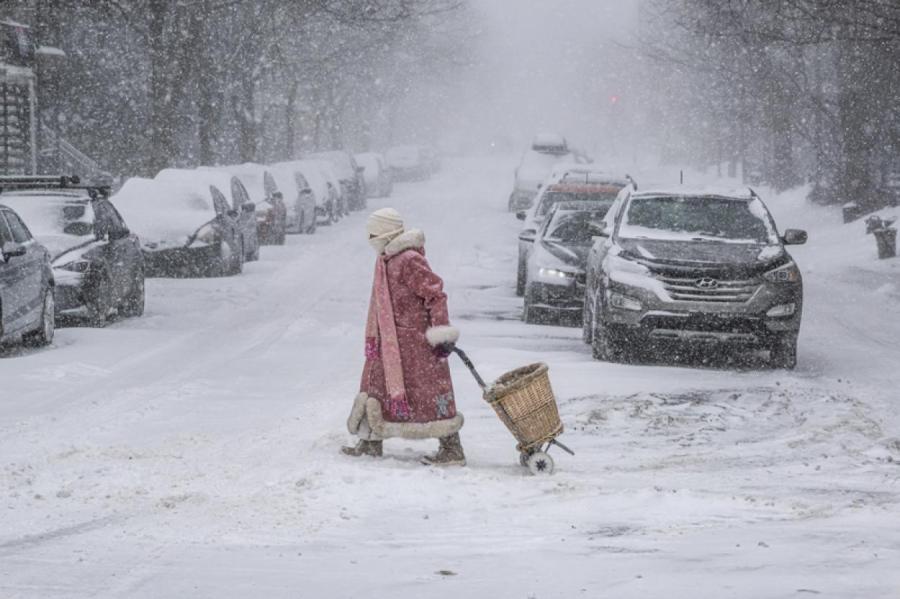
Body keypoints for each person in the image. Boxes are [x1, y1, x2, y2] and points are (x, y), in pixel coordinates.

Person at [343, 208, 465, 466]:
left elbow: (435, 295)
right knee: (376, 386)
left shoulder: (408, 259)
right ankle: (370, 441)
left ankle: (452, 448)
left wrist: (440, 333)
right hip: (389, 343)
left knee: (429, 393)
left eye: (373, 232)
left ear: (386, 232)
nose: (370, 238)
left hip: (416, 345)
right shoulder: (386, 258)